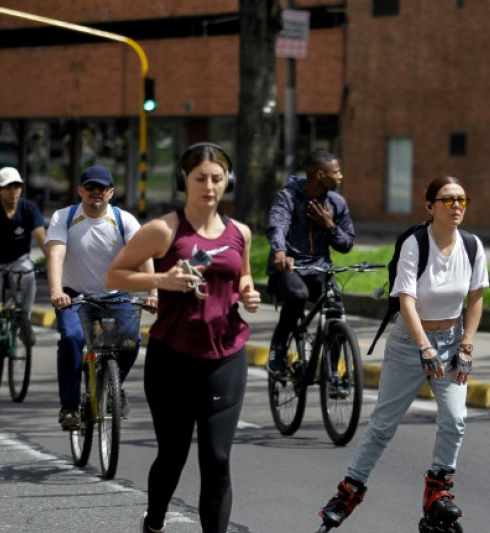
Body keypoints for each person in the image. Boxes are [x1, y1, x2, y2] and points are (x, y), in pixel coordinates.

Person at [104, 142, 261, 533]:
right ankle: (154, 522)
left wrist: (248, 291)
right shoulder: (163, 229)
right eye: (200, 178)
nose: (209, 186)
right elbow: (115, 275)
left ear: (228, 182)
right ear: (184, 181)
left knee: (217, 458)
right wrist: (161, 279)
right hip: (172, 357)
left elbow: (241, 275)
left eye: (217, 178)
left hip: (226, 356)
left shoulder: (240, 232)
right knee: (172, 454)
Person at [317, 176, 488, 531]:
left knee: (456, 419)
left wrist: (467, 346)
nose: (456, 206)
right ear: (430, 207)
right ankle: (348, 491)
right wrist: (424, 345)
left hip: (453, 340)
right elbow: (406, 300)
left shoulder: (472, 246)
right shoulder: (415, 243)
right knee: (383, 425)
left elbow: (476, 298)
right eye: (447, 200)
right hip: (411, 343)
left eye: (462, 200)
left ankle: (437, 491)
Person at [45, 166, 156, 430]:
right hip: (74, 295)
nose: (96, 193)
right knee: (72, 339)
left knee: (132, 342)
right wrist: (56, 291)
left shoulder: (123, 220)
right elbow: (56, 254)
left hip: (115, 295)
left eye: (102, 188)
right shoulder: (64, 217)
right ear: (80, 190)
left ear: (111, 192)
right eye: (90, 187)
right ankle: (69, 406)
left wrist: (154, 292)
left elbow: (143, 255)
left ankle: (113, 385)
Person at [265, 149, 355, 373]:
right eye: (337, 172)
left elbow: (346, 244)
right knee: (297, 295)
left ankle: (334, 372)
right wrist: (279, 252)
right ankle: (278, 347)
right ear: (320, 175)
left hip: (319, 268)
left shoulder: (336, 203)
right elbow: (278, 226)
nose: (341, 176)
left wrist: (330, 226)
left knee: (335, 309)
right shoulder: (288, 197)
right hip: (289, 266)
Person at [0, 167, 46, 377]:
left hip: (18, 261)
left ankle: (24, 320)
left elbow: (42, 238)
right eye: (8, 187)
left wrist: (53, 260)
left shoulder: (28, 208)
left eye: (17, 186)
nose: (14, 191)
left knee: (30, 275)